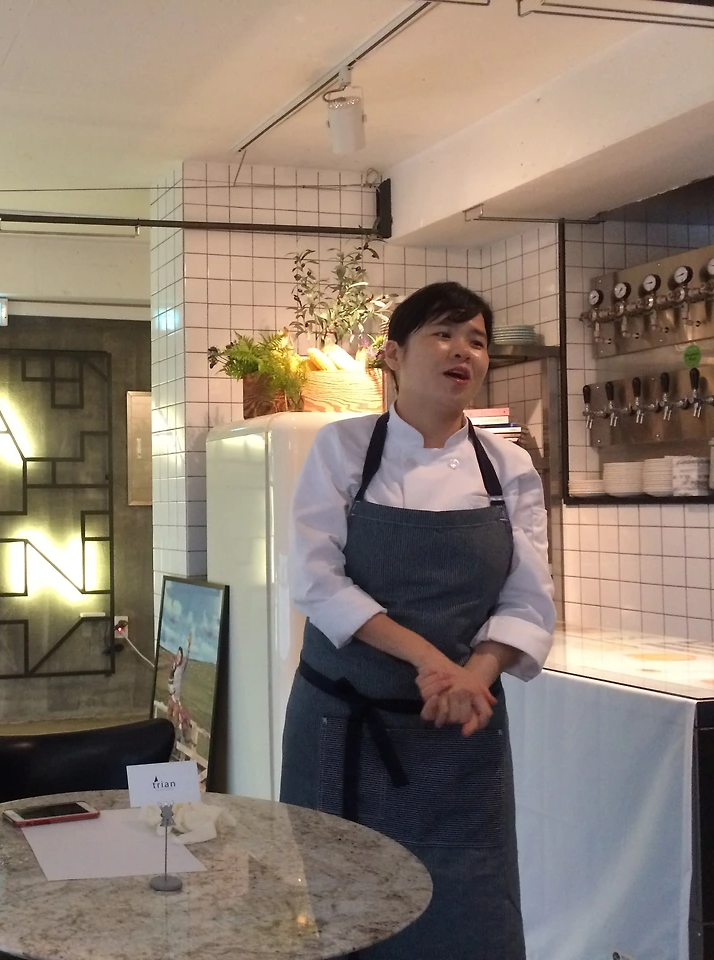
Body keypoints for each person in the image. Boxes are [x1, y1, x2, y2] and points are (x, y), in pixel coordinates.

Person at [279, 281, 554, 960]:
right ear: (394, 354)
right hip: (346, 725)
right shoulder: (343, 448)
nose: (463, 351)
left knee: (469, 909)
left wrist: (473, 676)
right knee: (346, 908)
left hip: (459, 727)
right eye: (443, 334)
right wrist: (429, 660)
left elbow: (528, 599)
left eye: (477, 341)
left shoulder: (510, 467)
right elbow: (316, 579)